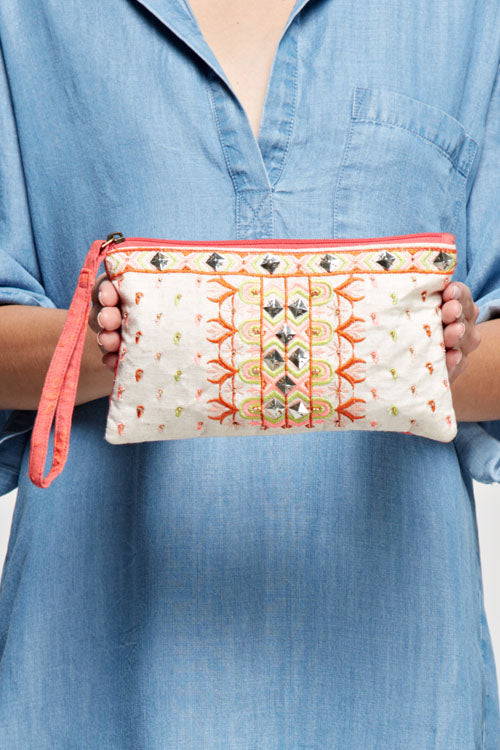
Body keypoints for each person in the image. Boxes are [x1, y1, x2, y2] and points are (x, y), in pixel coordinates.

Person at [0, 0, 499, 746]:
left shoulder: (468, 15)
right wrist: (117, 340)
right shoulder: (30, 15)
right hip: (93, 681)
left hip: (399, 687)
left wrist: (425, 352)